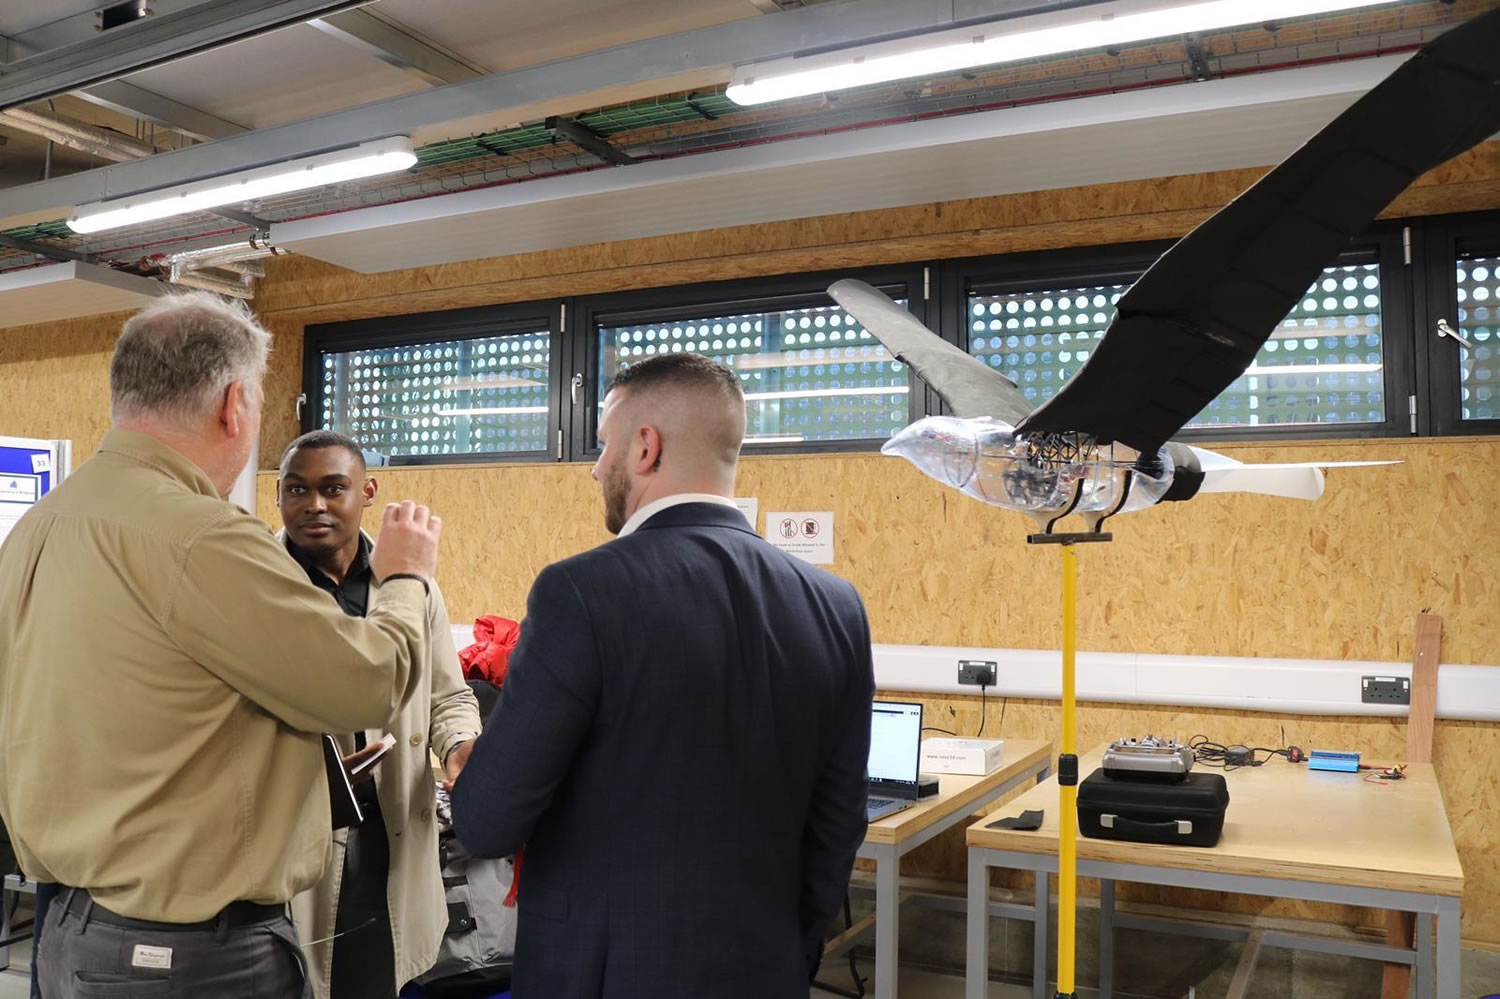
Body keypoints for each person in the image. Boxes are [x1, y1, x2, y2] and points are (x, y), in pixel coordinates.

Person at [0, 292, 444, 999]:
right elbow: (372, 683)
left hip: (74, 934)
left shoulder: (40, 525)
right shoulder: (202, 536)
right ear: (236, 403)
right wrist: (406, 579)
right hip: (187, 958)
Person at [450, 353, 874, 997]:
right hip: (766, 968)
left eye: (604, 445)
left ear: (645, 447)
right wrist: (790, 949)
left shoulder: (580, 593)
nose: (596, 468)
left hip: (601, 976)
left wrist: (466, 764)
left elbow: (488, 822)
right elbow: (840, 819)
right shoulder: (836, 604)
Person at [276, 430, 482, 999]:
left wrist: (460, 745)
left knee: (381, 975)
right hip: (300, 838)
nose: (314, 505)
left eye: (332, 488)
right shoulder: (260, 584)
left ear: (367, 492)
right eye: (296, 489)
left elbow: (448, 695)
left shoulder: (413, 585)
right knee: (304, 977)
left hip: (393, 832)